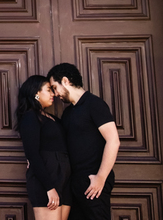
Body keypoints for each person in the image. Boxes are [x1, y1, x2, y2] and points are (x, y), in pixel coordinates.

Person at [47, 63, 120, 220]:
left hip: (93, 184)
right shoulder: (68, 113)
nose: (55, 93)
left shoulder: (94, 104)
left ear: (65, 81)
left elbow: (113, 140)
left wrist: (100, 178)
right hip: (73, 185)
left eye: (54, 87)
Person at [15, 75, 72, 220]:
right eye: (49, 90)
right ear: (36, 93)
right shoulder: (30, 117)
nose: (53, 94)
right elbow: (33, 155)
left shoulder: (49, 117)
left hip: (63, 177)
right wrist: (49, 188)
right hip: (46, 180)